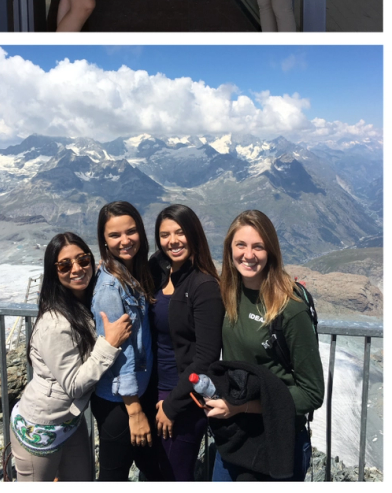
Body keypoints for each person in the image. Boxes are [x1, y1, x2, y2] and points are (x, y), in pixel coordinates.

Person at [206, 210, 323, 481]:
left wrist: (241, 406)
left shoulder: (290, 308)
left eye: (258, 246)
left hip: (277, 440)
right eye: (241, 245)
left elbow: (312, 393)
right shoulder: (228, 291)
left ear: (270, 250)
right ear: (229, 249)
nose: (249, 255)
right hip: (233, 437)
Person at [11, 232, 132, 481]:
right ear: (53, 272)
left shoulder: (81, 304)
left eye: (83, 260)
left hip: (71, 423)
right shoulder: (55, 323)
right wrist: (109, 344)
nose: (76, 269)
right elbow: (75, 385)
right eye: (65, 265)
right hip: (40, 427)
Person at [148, 204, 223, 481]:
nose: (173, 240)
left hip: (181, 400)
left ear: (194, 234)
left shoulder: (203, 286)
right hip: (155, 391)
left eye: (180, 232)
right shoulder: (160, 272)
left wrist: (171, 405)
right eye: (165, 234)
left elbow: (205, 357)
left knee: (175, 476)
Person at [90, 200, 162, 481]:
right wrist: (134, 412)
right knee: (113, 475)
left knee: (151, 468)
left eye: (130, 231)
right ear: (104, 241)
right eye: (114, 235)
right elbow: (120, 352)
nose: (125, 240)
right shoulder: (110, 287)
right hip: (120, 403)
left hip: (133, 396)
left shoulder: (131, 273)